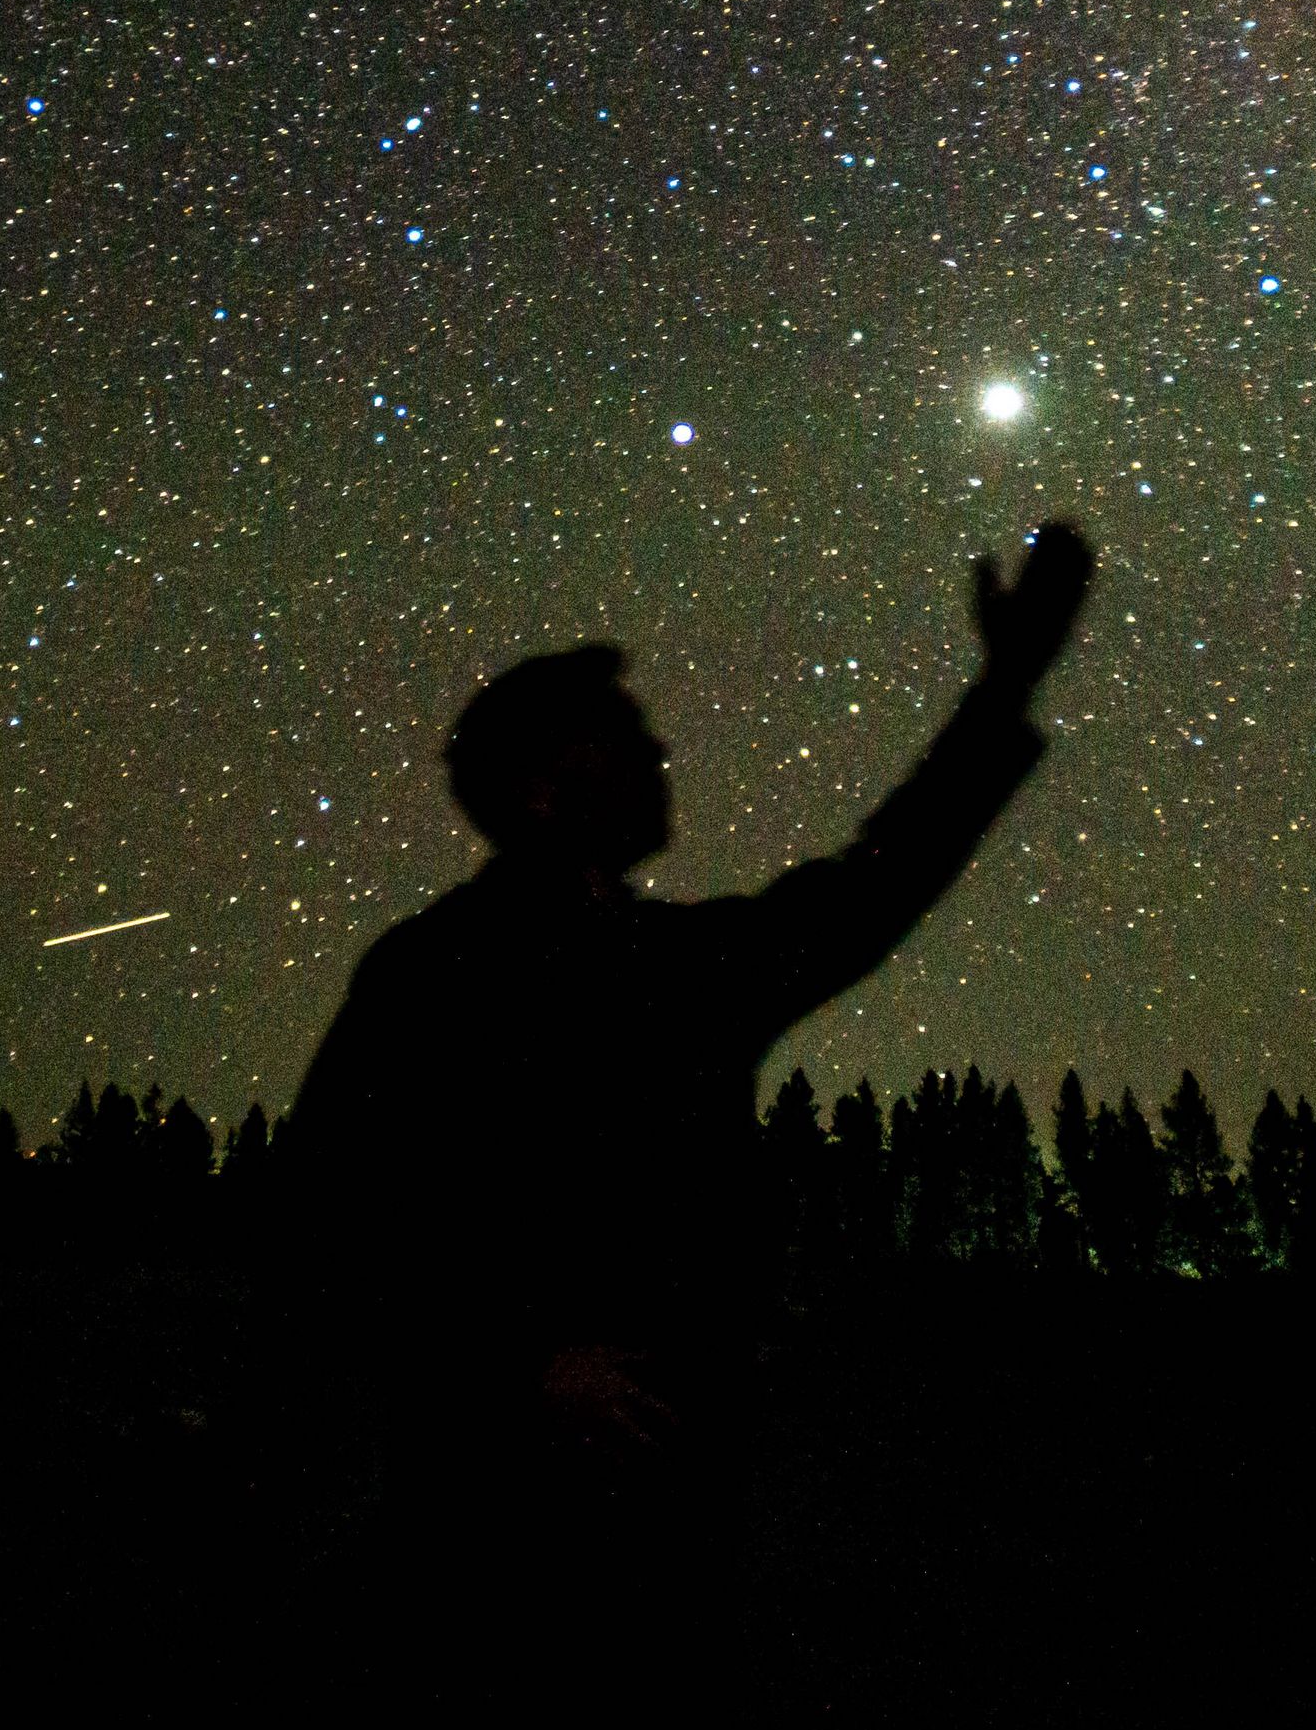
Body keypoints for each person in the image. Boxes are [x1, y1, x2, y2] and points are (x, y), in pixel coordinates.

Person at [284, 520, 1096, 1434]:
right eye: (621, 736)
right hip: (510, 1491)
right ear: (539, 788)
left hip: (683, 1465)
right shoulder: (440, 969)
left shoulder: (675, 962)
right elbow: (325, 1218)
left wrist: (1005, 688)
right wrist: (513, 1365)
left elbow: (875, 882)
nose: (658, 754)